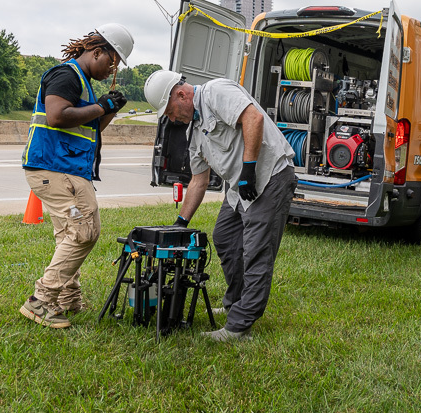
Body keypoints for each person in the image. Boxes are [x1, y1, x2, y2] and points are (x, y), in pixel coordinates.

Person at [144, 69, 297, 342]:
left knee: (256, 252)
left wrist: (249, 168)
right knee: (224, 237)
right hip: (241, 187)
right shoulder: (195, 130)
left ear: (181, 94)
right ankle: (235, 302)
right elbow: (198, 180)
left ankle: (239, 327)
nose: (171, 118)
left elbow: (254, 118)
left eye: (169, 111)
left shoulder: (215, 92)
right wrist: (181, 223)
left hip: (268, 177)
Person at [19, 23, 134, 329]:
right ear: (97, 52)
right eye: (111, 62)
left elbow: (87, 128)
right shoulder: (66, 75)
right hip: (55, 170)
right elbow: (57, 117)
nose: (112, 70)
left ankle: (68, 299)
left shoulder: (82, 82)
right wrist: (99, 106)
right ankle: (40, 301)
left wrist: (107, 110)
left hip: (66, 169)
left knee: (68, 232)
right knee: (84, 230)